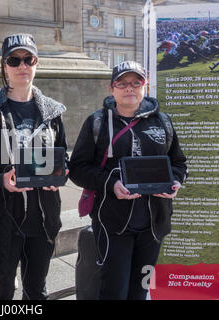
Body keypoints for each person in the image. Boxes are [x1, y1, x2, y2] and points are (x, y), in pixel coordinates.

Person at [68, 61, 187, 300]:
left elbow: (179, 163)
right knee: (115, 292)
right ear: (112, 88)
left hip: (153, 224)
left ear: (146, 85)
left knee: (140, 291)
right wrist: (111, 184)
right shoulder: (97, 122)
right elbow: (77, 169)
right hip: (113, 224)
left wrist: (174, 183)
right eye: (122, 83)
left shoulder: (162, 122)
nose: (129, 88)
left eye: (136, 82)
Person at [0, 33, 68, 300]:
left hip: (42, 219)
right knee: (1, 291)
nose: (22, 66)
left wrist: (59, 173)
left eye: (28, 59)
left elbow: (62, 155)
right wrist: (0, 180)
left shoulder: (53, 113)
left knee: (36, 290)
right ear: (4, 66)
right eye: (14, 60)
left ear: (36, 63)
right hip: (1, 220)